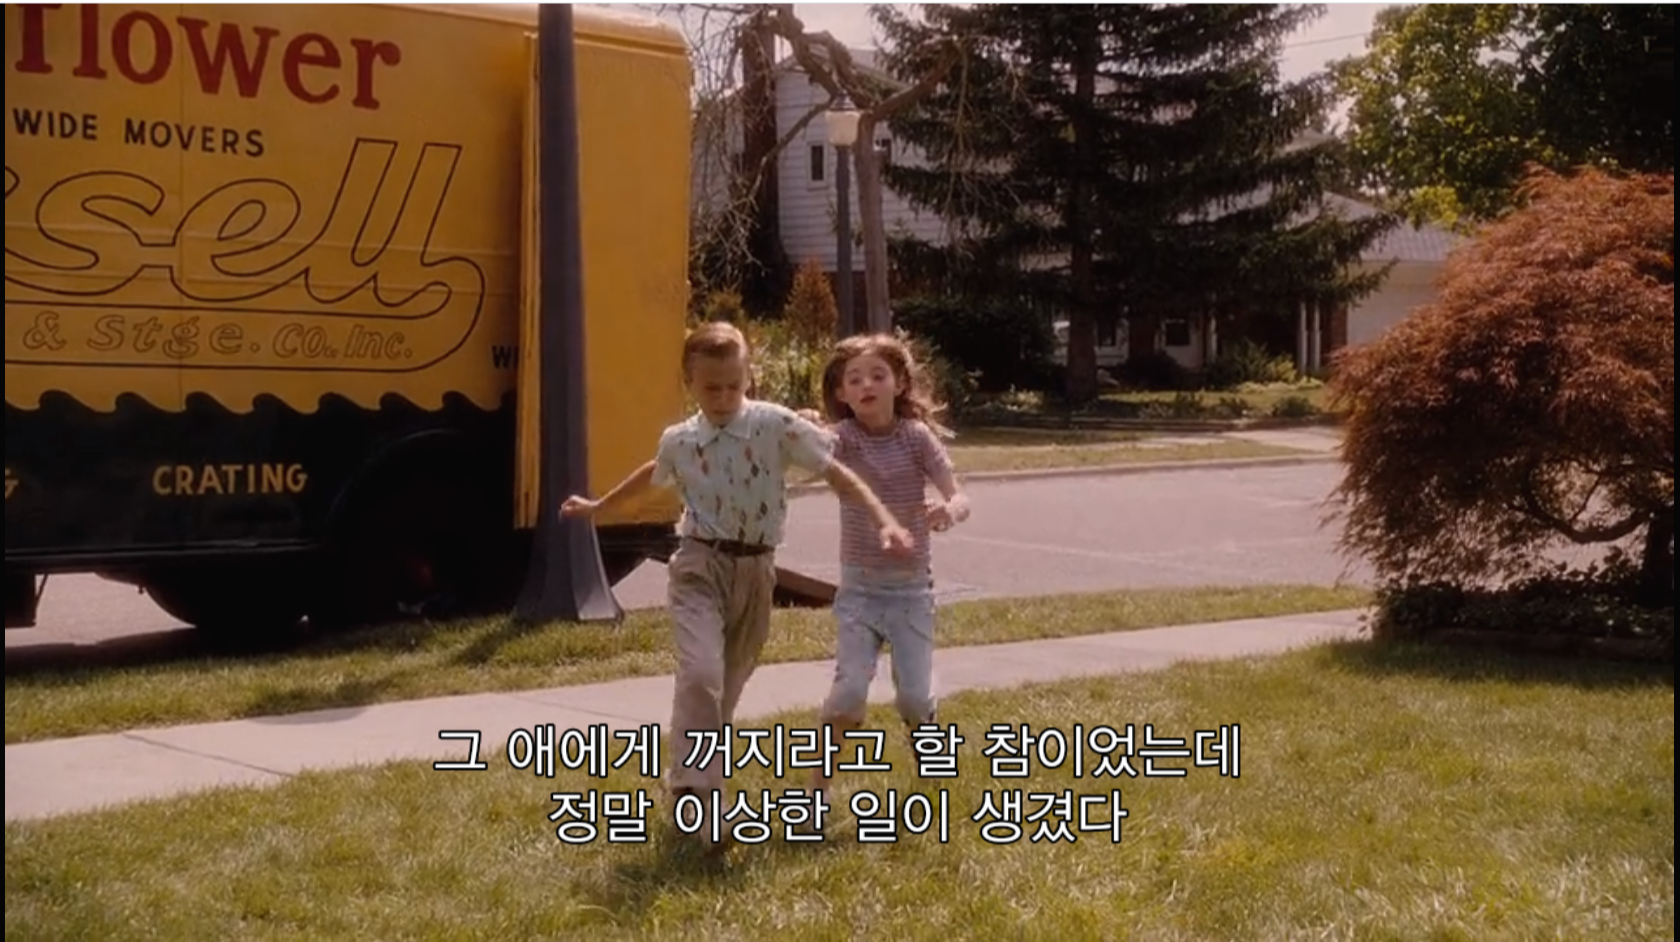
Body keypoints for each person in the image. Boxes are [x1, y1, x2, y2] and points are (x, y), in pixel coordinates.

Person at [559, 321, 913, 849]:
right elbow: (655, 472)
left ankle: (686, 784)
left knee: (724, 690)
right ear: (689, 383)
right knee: (701, 674)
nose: (724, 397)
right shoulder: (681, 440)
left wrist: (884, 518)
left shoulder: (773, 425)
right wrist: (599, 506)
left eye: (733, 385)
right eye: (711, 387)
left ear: (748, 377)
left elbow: (835, 470)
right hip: (699, 565)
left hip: (756, 572)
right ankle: (707, 805)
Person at [808, 333, 971, 800]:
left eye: (878, 375)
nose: (867, 385)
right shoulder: (842, 439)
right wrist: (802, 427)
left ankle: (933, 781)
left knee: (915, 699)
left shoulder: (916, 437)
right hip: (859, 592)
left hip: (911, 593)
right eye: (854, 379)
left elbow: (960, 496)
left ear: (899, 384)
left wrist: (949, 510)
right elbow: (805, 450)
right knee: (847, 696)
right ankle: (815, 793)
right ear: (841, 393)